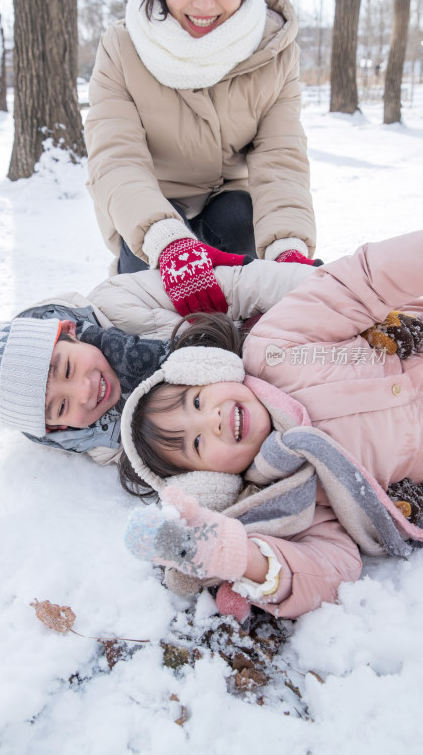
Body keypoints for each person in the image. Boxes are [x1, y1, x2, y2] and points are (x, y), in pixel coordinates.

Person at [119, 231, 423, 622]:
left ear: (211, 370)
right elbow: (328, 565)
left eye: (196, 400)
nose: (210, 419)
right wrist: (240, 557)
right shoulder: (293, 497)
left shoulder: (275, 346)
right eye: (196, 443)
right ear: (210, 481)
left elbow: (359, 283)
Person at [85, 0, 320, 317]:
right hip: (151, 208)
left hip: (228, 202)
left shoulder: (274, 51)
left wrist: (287, 248)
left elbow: (281, 158)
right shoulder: (122, 46)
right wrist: (167, 241)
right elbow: (115, 157)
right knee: (149, 300)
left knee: (243, 225)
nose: (205, 3)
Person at [0, 258, 316, 466]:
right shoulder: (107, 444)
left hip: (264, 335)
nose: (85, 391)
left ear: (69, 332)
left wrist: (318, 288)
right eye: (61, 407)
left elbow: (237, 286)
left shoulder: (116, 302)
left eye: (68, 369)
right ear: (57, 429)